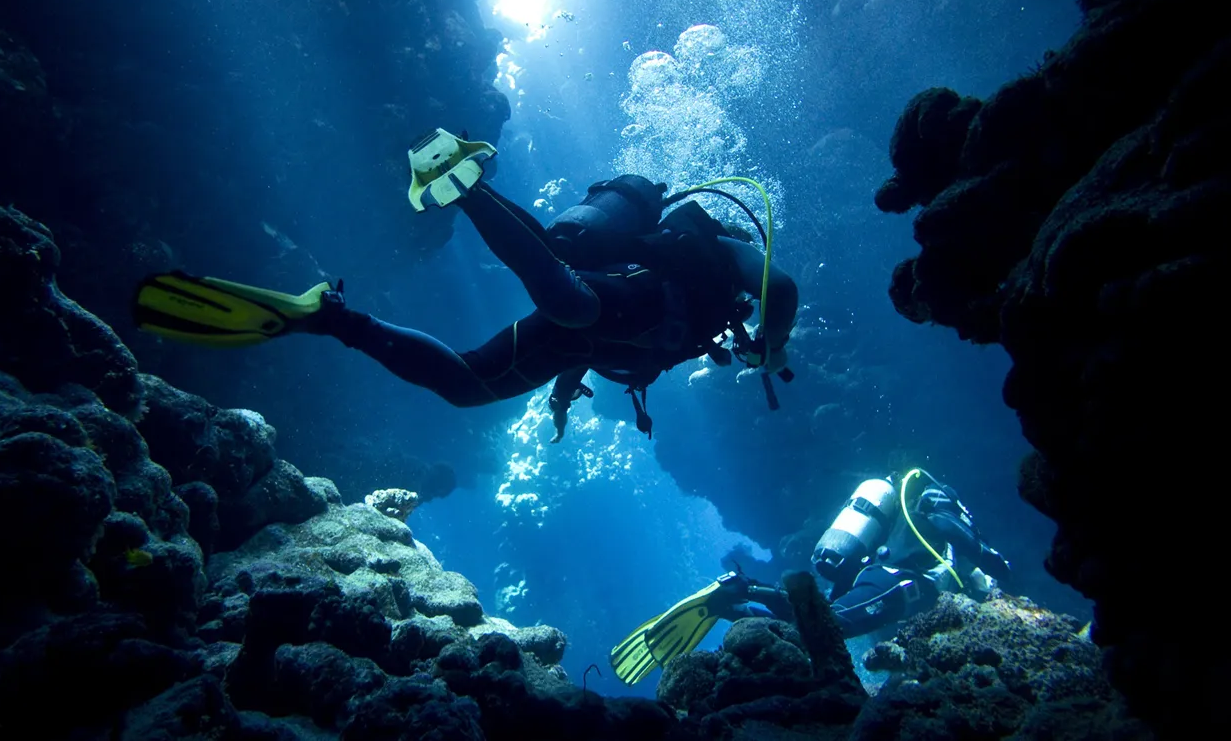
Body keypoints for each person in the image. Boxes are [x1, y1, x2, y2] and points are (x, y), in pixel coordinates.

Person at [134, 128, 799, 439]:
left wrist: (566, 393)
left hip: (601, 332)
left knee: (464, 386)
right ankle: (469, 191)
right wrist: (775, 345)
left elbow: (601, 338)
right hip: (646, 303)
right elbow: (785, 287)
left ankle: (331, 317)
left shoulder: (690, 253)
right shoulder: (724, 245)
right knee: (572, 302)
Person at [610, 469, 1011, 685]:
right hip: (897, 581)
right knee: (830, 626)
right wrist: (995, 564)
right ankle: (742, 593)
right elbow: (961, 537)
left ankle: (734, 600)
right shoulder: (941, 502)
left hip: (878, 574)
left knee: (814, 623)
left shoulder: (920, 502)